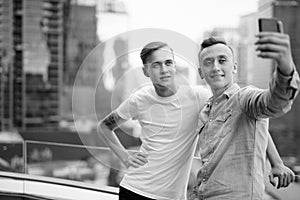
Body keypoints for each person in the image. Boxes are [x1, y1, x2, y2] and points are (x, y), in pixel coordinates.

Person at [192, 24, 300, 199]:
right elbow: (257, 128)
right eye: (208, 62)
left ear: (234, 67)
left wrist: (285, 66)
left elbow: (273, 103)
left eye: (222, 60)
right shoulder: (205, 110)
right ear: (201, 72)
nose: (216, 67)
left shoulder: (245, 97)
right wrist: (276, 162)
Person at [98, 41, 211, 200]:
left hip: (172, 196)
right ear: (146, 71)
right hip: (134, 190)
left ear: (174, 66)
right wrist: (125, 157)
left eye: (168, 63)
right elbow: (104, 127)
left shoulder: (198, 96)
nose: (164, 70)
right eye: (156, 65)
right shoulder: (140, 99)